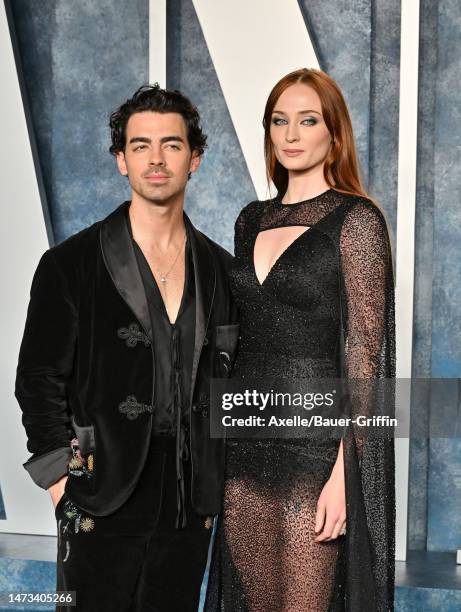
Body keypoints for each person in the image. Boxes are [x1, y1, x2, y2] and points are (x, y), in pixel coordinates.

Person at [15, 84, 239, 612]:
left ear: (195, 159)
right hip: (98, 488)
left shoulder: (221, 270)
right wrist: (61, 485)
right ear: (121, 160)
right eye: (140, 146)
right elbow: (38, 379)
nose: (156, 159)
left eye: (172, 145)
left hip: (189, 497)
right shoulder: (69, 264)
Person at [205, 68, 395, 611]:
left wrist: (345, 475)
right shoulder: (250, 219)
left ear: (333, 134)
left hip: (317, 451)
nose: (290, 134)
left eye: (306, 120)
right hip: (246, 445)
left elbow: (365, 355)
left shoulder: (356, 221)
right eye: (278, 120)